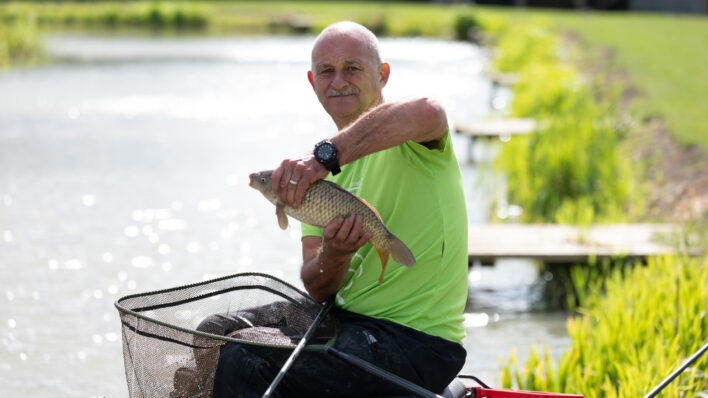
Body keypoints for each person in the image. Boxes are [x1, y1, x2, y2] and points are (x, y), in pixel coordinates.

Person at [210, 21, 469, 397]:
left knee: (246, 358)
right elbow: (317, 286)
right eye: (327, 71)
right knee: (216, 328)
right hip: (343, 322)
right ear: (313, 82)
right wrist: (335, 253)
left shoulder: (409, 139)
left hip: (416, 343)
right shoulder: (312, 181)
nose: (339, 81)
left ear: (383, 75)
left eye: (353, 68)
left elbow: (429, 111)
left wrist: (324, 156)